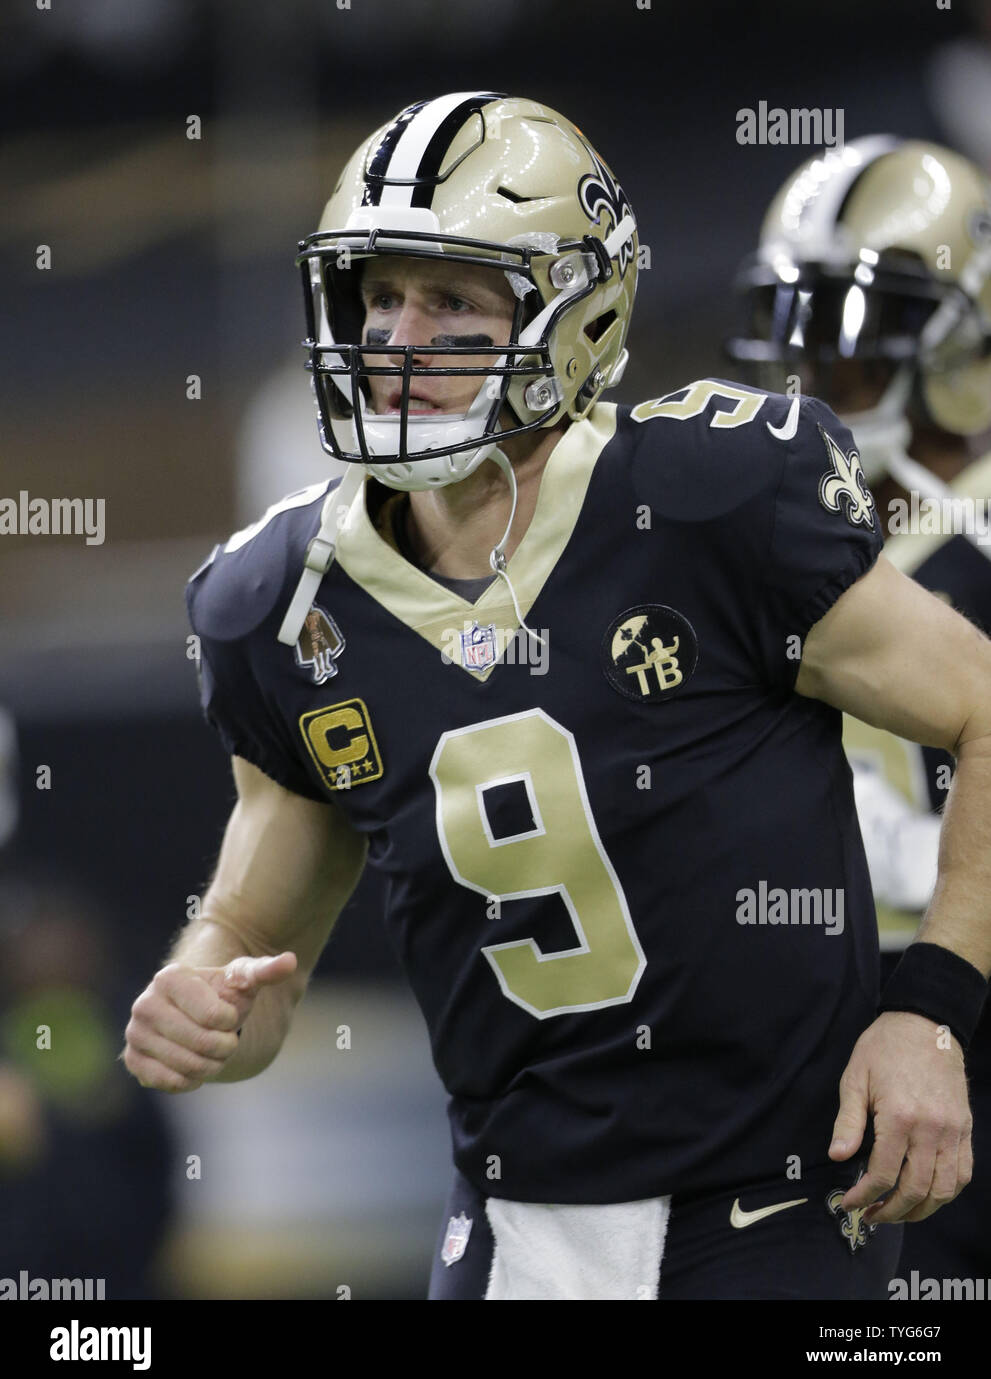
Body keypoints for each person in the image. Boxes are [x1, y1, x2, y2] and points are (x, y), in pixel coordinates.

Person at [123, 94, 991, 1300]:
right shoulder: (280, 607)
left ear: (573, 314)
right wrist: (204, 1006)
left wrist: (931, 1010)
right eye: (378, 296)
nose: (398, 338)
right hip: (512, 1224)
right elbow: (254, 955)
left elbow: (983, 709)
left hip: (778, 1201)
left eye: (453, 300)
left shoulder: (709, 497)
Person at [727, 134, 991, 1285]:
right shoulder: (767, 538)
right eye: (801, 326)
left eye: (857, 331)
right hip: (837, 1043)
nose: (816, 370)